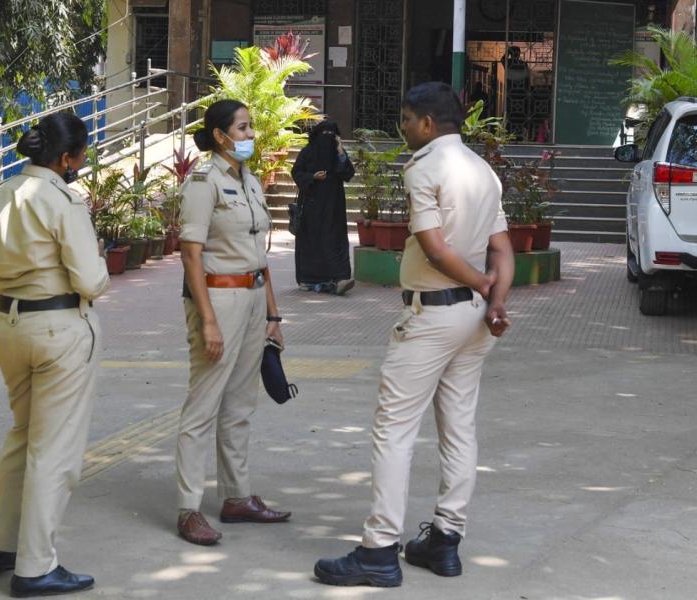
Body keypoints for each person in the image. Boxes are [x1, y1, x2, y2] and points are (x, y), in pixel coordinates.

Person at [313, 82, 514, 587]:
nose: (402, 128)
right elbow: (503, 248)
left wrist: (480, 283)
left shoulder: (425, 167)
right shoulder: (483, 170)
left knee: (395, 429)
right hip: (475, 319)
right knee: (459, 428)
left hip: (434, 317)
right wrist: (494, 300)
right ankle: (445, 542)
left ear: (426, 123)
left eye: (406, 119)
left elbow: (434, 248)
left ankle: (379, 549)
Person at [0, 113, 110, 597]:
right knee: (55, 451)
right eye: (83, 154)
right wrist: (99, 261)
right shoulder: (64, 200)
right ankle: (35, 567)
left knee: (23, 435)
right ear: (67, 158)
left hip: (10, 325)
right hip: (60, 328)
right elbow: (90, 280)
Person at [175, 99, 291, 546]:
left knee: (241, 403)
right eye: (242, 128)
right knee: (203, 405)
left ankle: (237, 496)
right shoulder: (202, 183)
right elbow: (191, 255)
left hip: (253, 297)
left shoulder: (250, 181)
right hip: (218, 298)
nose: (250, 135)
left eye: (250, 126)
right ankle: (188, 508)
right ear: (220, 136)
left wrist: (273, 314)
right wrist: (207, 321)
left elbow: (259, 256)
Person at [291, 120, 356, 295]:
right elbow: (296, 172)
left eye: (331, 134)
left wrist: (340, 150)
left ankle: (339, 278)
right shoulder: (307, 152)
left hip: (334, 205)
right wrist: (312, 177)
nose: (327, 138)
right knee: (312, 240)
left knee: (334, 238)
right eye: (324, 134)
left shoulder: (336, 153)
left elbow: (348, 173)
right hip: (311, 205)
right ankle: (311, 280)